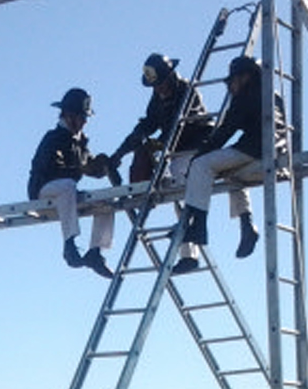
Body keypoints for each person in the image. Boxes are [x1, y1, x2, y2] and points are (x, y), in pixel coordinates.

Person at [175, 56, 279, 272]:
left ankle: (198, 226)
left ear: (245, 77)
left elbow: (225, 131)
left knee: (201, 166)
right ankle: (246, 224)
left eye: (232, 81)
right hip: (272, 147)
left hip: (256, 148)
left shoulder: (246, 97)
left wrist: (200, 155)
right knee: (230, 173)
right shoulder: (271, 94)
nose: (230, 87)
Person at [28, 87, 116, 279]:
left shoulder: (80, 142)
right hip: (43, 192)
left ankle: (95, 252)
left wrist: (103, 166)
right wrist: (80, 169)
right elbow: (51, 169)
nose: (84, 122)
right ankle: (70, 245)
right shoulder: (54, 138)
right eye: (82, 117)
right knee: (67, 185)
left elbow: (88, 167)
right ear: (69, 115)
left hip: (66, 198)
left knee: (106, 203)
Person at [108, 53, 212, 186]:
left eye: (160, 83)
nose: (158, 88)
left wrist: (159, 144)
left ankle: (191, 205)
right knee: (148, 156)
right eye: (154, 85)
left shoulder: (186, 91)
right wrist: (120, 153)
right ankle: (140, 193)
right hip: (177, 146)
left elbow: (181, 125)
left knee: (176, 170)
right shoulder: (158, 98)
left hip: (198, 141)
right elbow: (148, 124)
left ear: (169, 76)